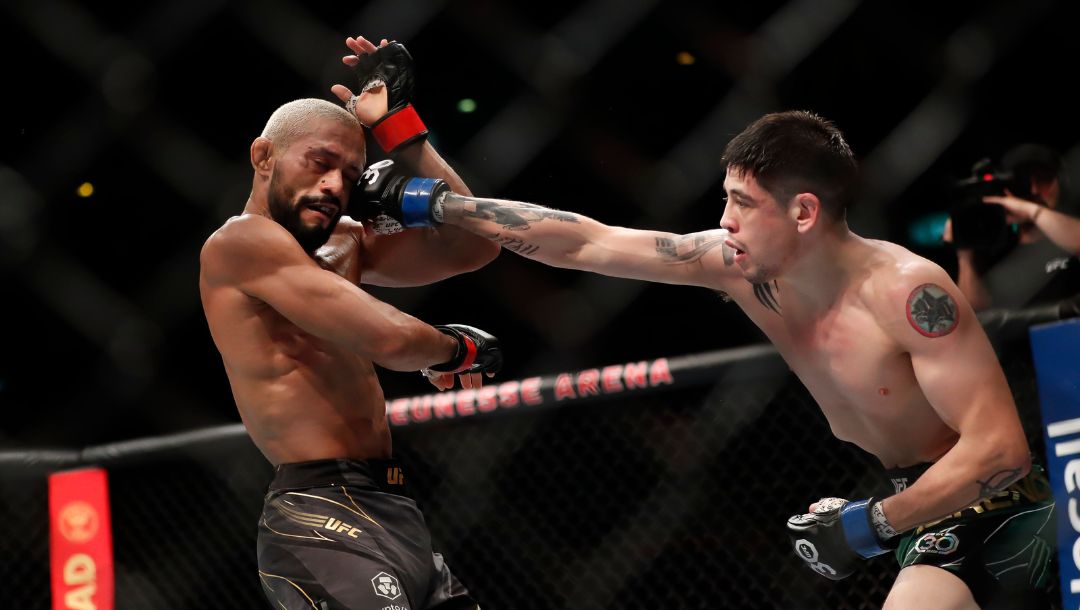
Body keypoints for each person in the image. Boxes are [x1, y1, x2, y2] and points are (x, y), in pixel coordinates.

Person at [357, 110, 1056, 608]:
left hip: (998, 506)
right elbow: (591, 244)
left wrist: (868, 523)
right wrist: (438, 202)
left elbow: (1000, 449)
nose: (724, 221)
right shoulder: (741, 267)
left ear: (804, 212)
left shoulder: (906, 292)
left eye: (742, 204)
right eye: (726, 198)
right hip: (917, 503)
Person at [198, 35, 500, 609]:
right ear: (263, 157)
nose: (335, 185)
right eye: (320, 163)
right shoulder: (239, 244)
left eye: (352, 173)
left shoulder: (345, 241)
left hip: (394, 508)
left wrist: (400, 131)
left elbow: (474, 243)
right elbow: (386, 337)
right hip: (319, 512)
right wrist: (454, 348)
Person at [947, 143, 1080, 311]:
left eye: (1043, 179)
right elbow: (976, 313)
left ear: (1061, 182)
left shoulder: (1071, 231)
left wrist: (1030, 210)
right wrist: (964, 254)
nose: (1034, 190)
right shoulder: (995, 246)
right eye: (1023, 182)